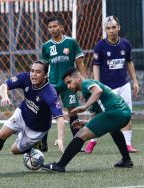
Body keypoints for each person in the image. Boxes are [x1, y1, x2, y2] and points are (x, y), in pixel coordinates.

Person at [0, 60, 65, 175]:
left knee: (14, 150)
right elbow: (4, 85)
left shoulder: (50, 93)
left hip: (37, 129)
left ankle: (35, 144)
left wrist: (60, 138)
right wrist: (4, 96)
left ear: (45, 75)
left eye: (38, 72)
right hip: (22, 113)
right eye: (32, 71)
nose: (33, 74)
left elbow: (60, 118)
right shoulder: (25, 78)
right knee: (2, 134)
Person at [42, 68, 133, 172]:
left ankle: (60, 165)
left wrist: (85, 106)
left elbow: (98, 91)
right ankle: (126, 160)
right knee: (114, 129)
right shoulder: (88, 92)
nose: (68, 86)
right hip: (124, 113)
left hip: (114, 113)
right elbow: (98, 114)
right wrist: (85, 123)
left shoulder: (85, 83)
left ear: (78, 78)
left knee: (80, 135)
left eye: (69, 82)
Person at [85, 15, 140, 154]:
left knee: (126, 113)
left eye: (114, 27)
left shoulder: (126, 44)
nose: (111, 30)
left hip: (123, 85)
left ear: (119, 28)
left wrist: (135, 81)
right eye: (108, 28)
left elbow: (129, 62)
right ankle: (92, 142)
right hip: (106, 87)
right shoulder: (100, 46)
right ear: (105, 30)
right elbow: (96, 66)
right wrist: (97, 84)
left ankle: (127, 144)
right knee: (98, 114)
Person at [40, 16, 86, 152]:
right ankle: (43, 143)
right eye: (50, 27)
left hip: (69, 84)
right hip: (52, 84)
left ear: (61, 27)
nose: (52, 29)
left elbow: (80, 62)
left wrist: (84, 80)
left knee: (72, 112)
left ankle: (76, 143)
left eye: (55, 26)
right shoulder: (46, 46)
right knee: (46, 112)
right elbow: (43, 66)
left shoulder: (71, 42)